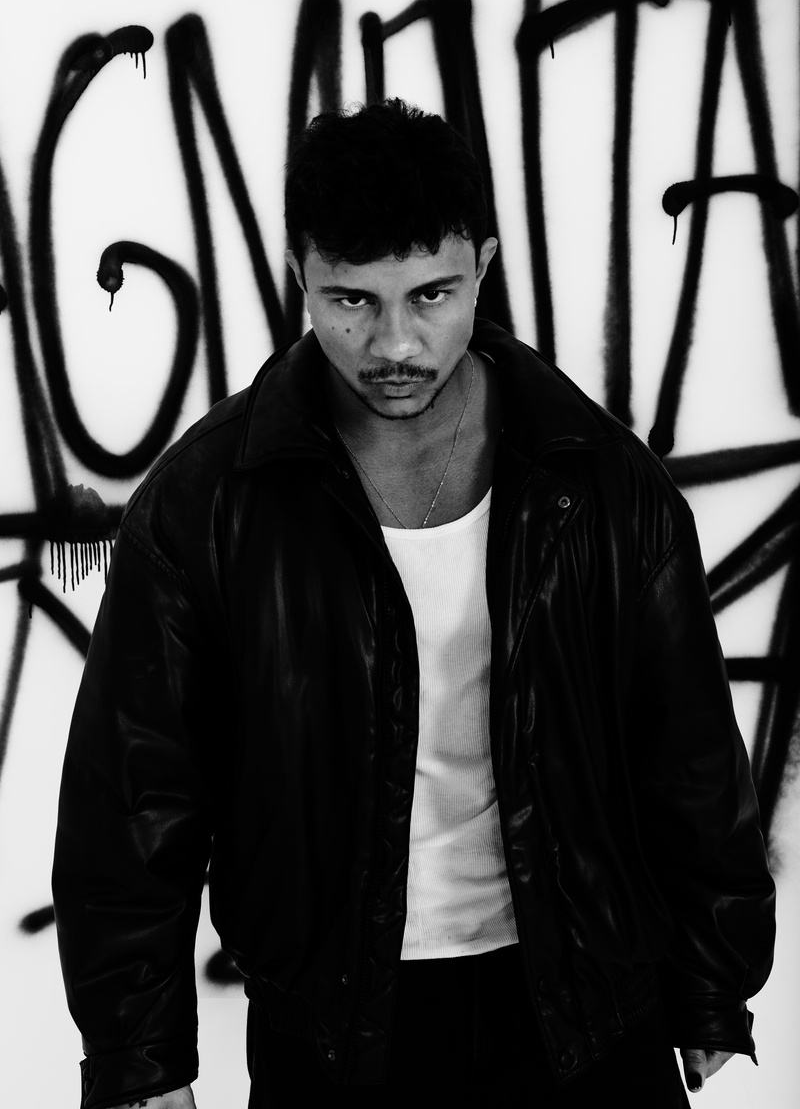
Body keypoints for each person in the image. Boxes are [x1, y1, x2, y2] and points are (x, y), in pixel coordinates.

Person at [53, 98, 775, 1109]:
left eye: (431, 294)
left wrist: (712, 980)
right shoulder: (206, 506)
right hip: (332, 1029)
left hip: (590, 1004)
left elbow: (687, 751)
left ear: (483, 268)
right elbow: (136, 797)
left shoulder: (600, 481)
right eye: (350, 299)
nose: (394, 342)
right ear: (298, 276)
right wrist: (140, 1056)